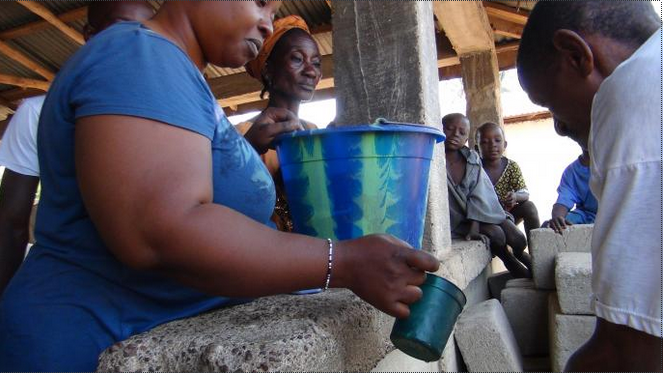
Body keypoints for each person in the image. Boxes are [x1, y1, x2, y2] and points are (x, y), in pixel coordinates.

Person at [0, 2, 438, 371]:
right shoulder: (140, 56)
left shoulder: (181, 79)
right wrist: (341, 261)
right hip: (81, 342)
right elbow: (161, 232)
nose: (267, 22)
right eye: (260, 0)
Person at [517, 2, 662, 371]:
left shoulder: (636, 90)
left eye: (548, 103)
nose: (560, 127)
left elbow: (627, 354)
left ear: (575, 55)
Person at [0, 1, 156, 296]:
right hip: (70, 278)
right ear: (90, 34)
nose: (136, 40)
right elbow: (11, 221)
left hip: (149, 278)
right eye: (122, 27)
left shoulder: (170, 111)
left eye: (149, 31)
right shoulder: (37, 113)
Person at [236, 15, 321, 232]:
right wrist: (251, 151)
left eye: (316, 62)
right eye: (297, 59)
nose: (311, 71)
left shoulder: (315, 133)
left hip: (314, 257)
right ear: (268, 70)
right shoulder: (242, 136)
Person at [443, 113, 531, 278]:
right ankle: (507, 258)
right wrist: (471, 226)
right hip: (458, 219)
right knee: (497, 235)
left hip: (484, 211)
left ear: (467, 138)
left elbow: (479, 192)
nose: (455, 134)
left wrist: (476, 224)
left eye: (462, 132)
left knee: (518, 238)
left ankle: (521, 254)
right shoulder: (434, 159)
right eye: (449, 129)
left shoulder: (472, 159)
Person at [477, 122, 540, 239]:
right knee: (514, 240)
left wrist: (515, 196)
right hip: (484, 219)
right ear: (477, 147)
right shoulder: (475, 169)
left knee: (529, 207)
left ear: (505, 144)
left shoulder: (511, 166)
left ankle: (537, 249)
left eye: (497, 140)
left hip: (507, 215)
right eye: (485, 142)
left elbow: (525, 192)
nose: (492, 145)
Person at [542, 148, 598, 234]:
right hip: (586, 216)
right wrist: (557, 218)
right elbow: (563, 202)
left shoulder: (616, 163)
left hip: (615, 214)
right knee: (548, 227)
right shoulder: (572, 170)